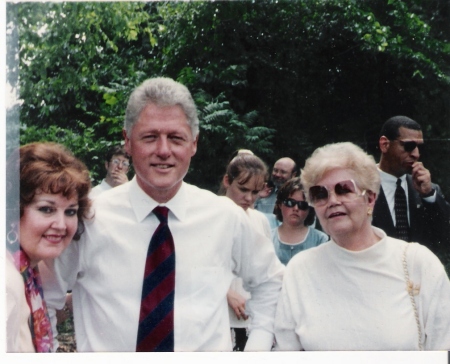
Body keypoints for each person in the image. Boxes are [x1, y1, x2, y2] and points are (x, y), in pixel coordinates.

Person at [40, 77, 284, 352]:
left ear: (193, 143)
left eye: (176, 138)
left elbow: (270, 282)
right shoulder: (89, 218)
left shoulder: (225, 217)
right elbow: (42, 298)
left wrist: (257, 348)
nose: (164, 150)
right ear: (128, 141)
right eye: (150, 136)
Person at [274, 142, 450, 350]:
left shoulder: (418, 263)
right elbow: (287, 351)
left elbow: (443, 346)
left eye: (344, 190)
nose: (332, 201)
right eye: (320, 194)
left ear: (370, 198)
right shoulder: (300, 269)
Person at [6, 142, 91, 352]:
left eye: (70, 212)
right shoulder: (7, 282)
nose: (61, 225)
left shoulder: (28, 273)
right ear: (14, 212)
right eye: (46, 209)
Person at [373, 115, 450, 258]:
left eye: (419, 147)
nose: (416, 154)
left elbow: (446, 238)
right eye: (408, 146)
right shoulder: (360, 187)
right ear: (385, 144)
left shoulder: (428, 190)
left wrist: (428, 195)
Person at [219, 150, 273, 351]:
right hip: (219, 317)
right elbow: (193, 267)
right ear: (227, 181)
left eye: (255, 192)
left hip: (252, 320)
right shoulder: (212, 214)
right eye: (243, 189)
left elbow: (266, 272)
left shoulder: (260, 220)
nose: (249, 197)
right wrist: (226, 292)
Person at [272, 177, 328, 265]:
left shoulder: (320, 240)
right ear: (280, 204)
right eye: (290, 202)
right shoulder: (268, 237)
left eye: (303, 205)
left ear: (310, 209)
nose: (296, 208)